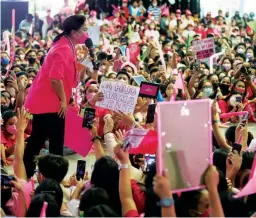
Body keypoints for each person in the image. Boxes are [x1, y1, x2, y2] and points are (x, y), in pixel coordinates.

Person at [23, 15, 88, 178]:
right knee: (51, 142)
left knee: (40, 139)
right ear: (74, 32)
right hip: (50, 102)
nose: (87, 33)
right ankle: (48, 178)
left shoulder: (68, 45)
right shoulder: (63, 49)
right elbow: (55, 77)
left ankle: (31, 174)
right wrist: (64, 101)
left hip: (49, 101)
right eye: (85, 30)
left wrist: (86, 59)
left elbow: (70, 74)